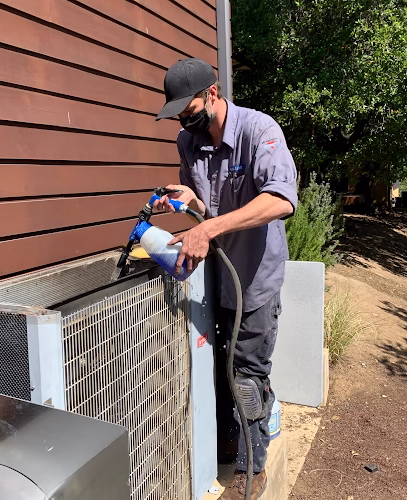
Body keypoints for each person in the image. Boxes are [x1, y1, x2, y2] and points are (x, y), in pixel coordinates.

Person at [154, 58, 298, 500]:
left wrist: (210, 226)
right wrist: (191, 202)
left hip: (254, 279)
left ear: (212, 94)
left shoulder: (259, 131)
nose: (184, 120)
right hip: (215, 279)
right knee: (220, 371)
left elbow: (281, 200)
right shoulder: (188, 141)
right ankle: (232, 443)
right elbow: (207, 211)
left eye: (189, 109)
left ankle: (253, 469)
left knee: (247, 378)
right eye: (178, 114)